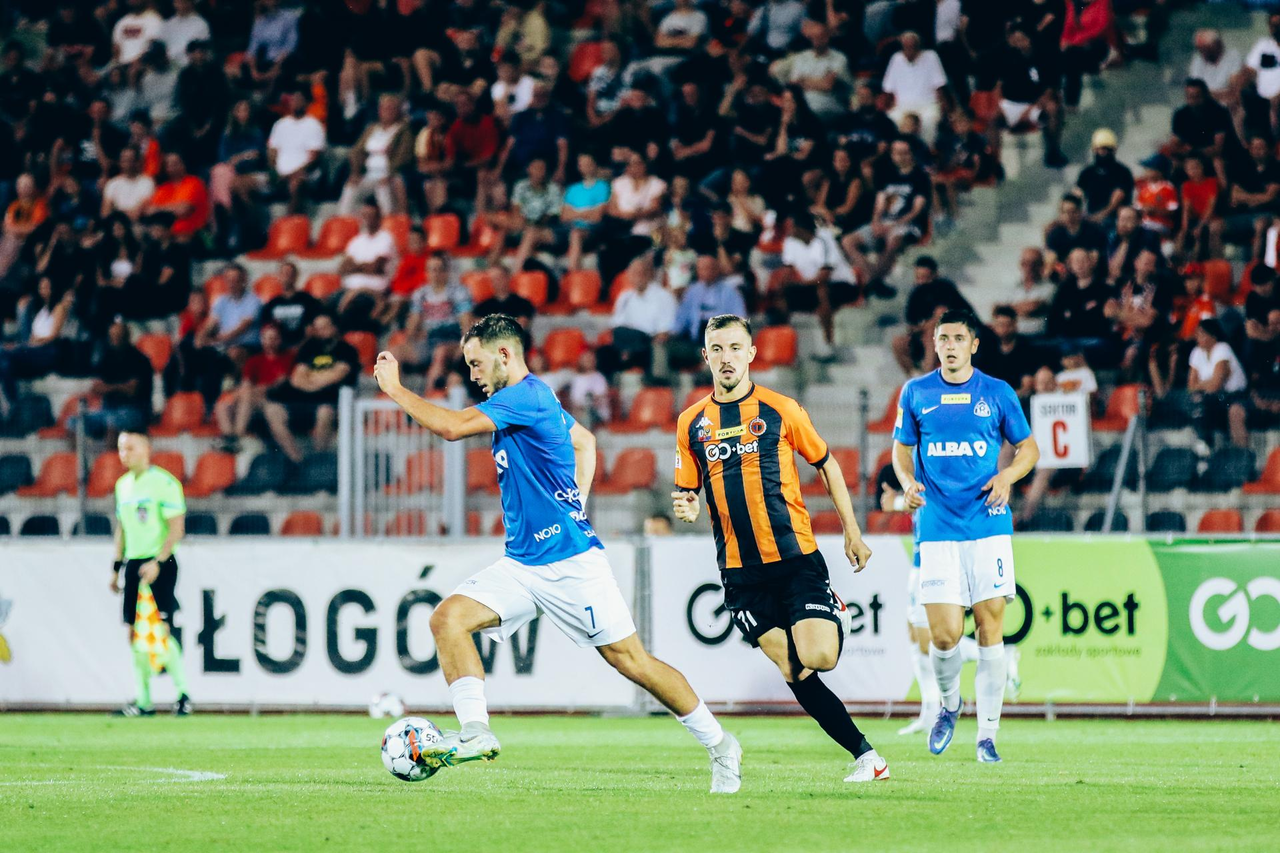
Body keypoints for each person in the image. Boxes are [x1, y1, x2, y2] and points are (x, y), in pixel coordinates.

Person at [372, 314, 743, 792]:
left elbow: (451, 426)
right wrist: (576, 503)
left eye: (476, 363)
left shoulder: (524, 397)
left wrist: (395, 390)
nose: (472, 374)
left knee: (631, 661)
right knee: (448, 620)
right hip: (522, 563)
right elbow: (585, 442)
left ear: (504, 355)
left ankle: (720, 744)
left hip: (569, 563)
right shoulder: (534, 398)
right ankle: (476, 732)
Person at [670, 314, 885, 783]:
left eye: (735, 348)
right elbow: (687, 491)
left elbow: (826, 464)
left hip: (794, 558)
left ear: (751, 353)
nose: (726, 358)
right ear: (705, 356)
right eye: (717, 349)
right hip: (739, 572)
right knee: (794, 668)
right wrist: (686, 504)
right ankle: (868, 758)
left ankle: (834, 611)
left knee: (819, 657)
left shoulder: (780, 409)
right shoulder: (691, 423)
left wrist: (852, 531)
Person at [892, 309, 1040, 762]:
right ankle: (950, 705)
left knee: (990, 629)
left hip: (988, 525)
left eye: (959, 338)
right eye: (943, 339)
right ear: (935, 345)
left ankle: (987, 737)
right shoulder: (916, 392)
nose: (950, 346)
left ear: (974, 344)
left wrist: (1008, 476)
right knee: (943, 636)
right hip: (937, 528)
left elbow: (1029, 448)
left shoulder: (997, 392)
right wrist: (907, 483)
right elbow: (901, 451)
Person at [110, 430, 191, 717]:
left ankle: (183, 695)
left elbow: (177, 529)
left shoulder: (165, 483)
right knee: (135, 632)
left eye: (130, 448)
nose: (124, 454)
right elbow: (122, 529)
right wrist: (116, 567)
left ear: (146, 450)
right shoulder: (122, 486)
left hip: (160, 564)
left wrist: (158, 561)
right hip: (134, 564)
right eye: (121, 449)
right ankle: (143, 701)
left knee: (161, 630)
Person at [263, 312, 359, 462]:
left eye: (325, 327)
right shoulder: (308, 348)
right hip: (301, 401)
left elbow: (337, 375)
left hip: (328, 401)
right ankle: (297, 459)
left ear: (334, 328)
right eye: (317, 328)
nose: (321, 331)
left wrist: (311, 377)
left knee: (324, 413)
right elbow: (297, 379)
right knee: (272, 410)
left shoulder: (347, 350)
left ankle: (317, 460)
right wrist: (319, 379)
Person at [214, 322, 294, 452]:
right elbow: (246, 384)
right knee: (223, 403)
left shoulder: (288, 358)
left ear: (279, 340)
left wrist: (256, 389)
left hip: (273, 399)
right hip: (253, 398)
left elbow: (280, 384)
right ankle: (229, 436)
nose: (269, 342)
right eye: (266, 338)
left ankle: (237, 437)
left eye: (273, 338)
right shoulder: (255, 360)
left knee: (247, 394)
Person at [267, 89, 326, 214]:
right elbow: (272, 152)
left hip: (304, 175)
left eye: (300, 99)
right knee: (241, 184)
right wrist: (275, 172)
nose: (296, 102)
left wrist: (290, 175)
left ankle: (289, 222)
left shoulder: (314, 125)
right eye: (294, 99)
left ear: (306, 103)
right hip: (279, 175)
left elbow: (313, 160)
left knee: (296, 184)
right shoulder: (280, 124)